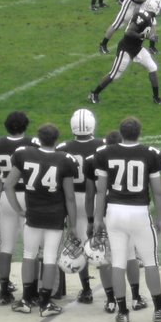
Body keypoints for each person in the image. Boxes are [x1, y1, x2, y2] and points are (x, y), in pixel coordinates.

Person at [92, 117, 161, 322]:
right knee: (150, 261)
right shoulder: (150, 154)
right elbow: (157, 191)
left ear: (121, 132)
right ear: (139, 132)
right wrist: (158, 217)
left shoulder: (104, 153)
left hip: (114, 211)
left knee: (118, 262)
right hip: (138, 211)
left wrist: (98, 218)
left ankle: (122, 311)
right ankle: (158, 309)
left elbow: (100, 190)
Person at [4, 123, 77, 317]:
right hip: (55, 215)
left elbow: (8, 185)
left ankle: (27, 299)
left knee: (29, 254)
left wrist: (18, 209)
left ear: (38, 137)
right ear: (57, 139)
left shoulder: (25, 154)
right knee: (50, 257)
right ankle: (45, 302)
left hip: (33, 214)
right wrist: (73, 223)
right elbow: (69, 197)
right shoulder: (64, 160)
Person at [56, 109, 104, 304]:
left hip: (72, 197)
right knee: (102, 242)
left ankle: (86, 289)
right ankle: (113, 292)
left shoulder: (63, 147)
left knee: (77, 241)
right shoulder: (103, 146)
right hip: (96, 197)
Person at [0, 110, 35, 305]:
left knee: (6, 246)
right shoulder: (33, 143)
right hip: (28, 195)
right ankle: (29, 291)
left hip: (7, 196)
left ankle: (4, 289)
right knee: (30, 248)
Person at [90, 0, 161, 105]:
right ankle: (94, 93)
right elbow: (129, 32)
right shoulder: (143, 16)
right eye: (160, 7)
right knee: (114, 74)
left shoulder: (149, 17)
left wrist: (151, 37)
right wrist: (146, 37)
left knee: (152, 67)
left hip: (137, 48)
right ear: (155, 8)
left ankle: (156, 98)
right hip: (126, 48)